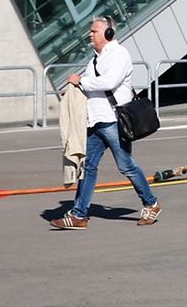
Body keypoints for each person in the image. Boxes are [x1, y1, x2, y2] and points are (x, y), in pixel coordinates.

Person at [49, 16, 162, 229]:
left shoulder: (119, 54)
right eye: (91, 31)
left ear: (108, 34)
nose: (90, 35)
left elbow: (109, 81)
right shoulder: (94, 59)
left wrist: (81, 81)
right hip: (95, 120)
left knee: (126, 166)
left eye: (94, 31)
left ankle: (151, 203)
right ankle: (79, 214)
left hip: (113, 120)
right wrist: (75, 89)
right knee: (87, 167)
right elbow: (92, 85)